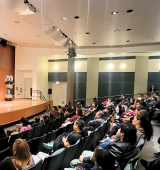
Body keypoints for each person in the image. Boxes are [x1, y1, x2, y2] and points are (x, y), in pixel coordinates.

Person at [71, 123, 137, 169]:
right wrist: (116, 139)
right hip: (109, 161)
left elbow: (104, 162)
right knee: (85, 152)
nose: (117, 130)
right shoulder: (129, 143)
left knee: (73, 161)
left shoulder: (118, 148)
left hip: (106, 166)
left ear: (122, 134)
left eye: (119, 129)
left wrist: (85, 159)